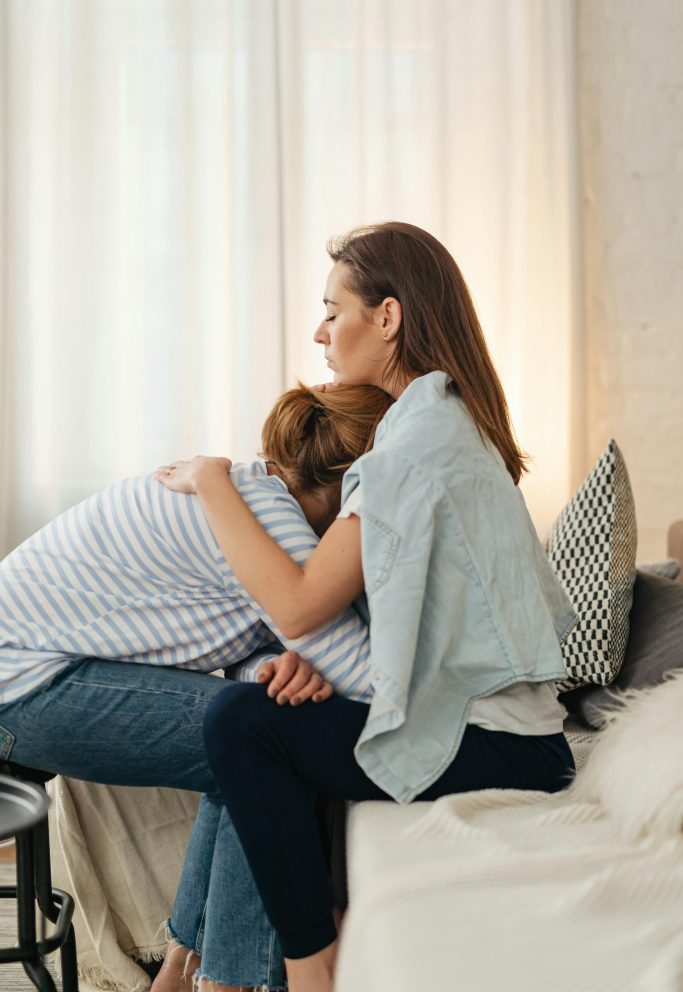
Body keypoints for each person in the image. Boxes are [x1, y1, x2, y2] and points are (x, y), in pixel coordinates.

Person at [156, 221, 579, 992]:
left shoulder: (410, 452)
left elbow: (297, 606)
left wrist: (214, 481)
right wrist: (314, 672)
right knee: (270, 713)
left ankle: (307, 970)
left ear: (386, 318)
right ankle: (253, 964)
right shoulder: (446, 423)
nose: (319, 332)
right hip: (511, 735)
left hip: (501, 747)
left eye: (332, 309)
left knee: (237, 723)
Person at [0, 381, 392, 992]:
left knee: (248, 728)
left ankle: (185, 969)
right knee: (268, 747)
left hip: (30, 670)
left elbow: (234, 649)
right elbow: (372, 683)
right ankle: (226, 981)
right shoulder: (270, 522)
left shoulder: (255, 495)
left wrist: (284, 662)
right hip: (21, 684)